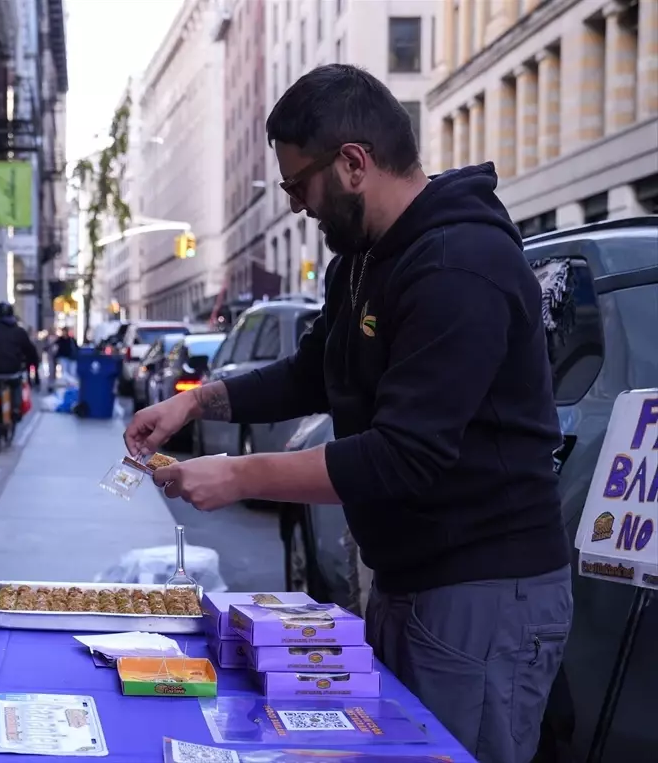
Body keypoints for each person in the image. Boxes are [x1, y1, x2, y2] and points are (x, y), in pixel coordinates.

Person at [125, 64, 571, 763]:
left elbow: (403, 453)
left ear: (354, 164)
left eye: (299, 185)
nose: (297, 205)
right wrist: (195, 402)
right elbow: (313, 374)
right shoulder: (363, 261)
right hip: (410, 577)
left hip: (483, 586)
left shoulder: (459, 265)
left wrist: (241, 475)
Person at [0, 302, 40, 420]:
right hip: (11, 373)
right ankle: (16, 408)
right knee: (17, 383)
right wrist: (35, 375)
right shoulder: (19, 332)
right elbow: (31, 353)